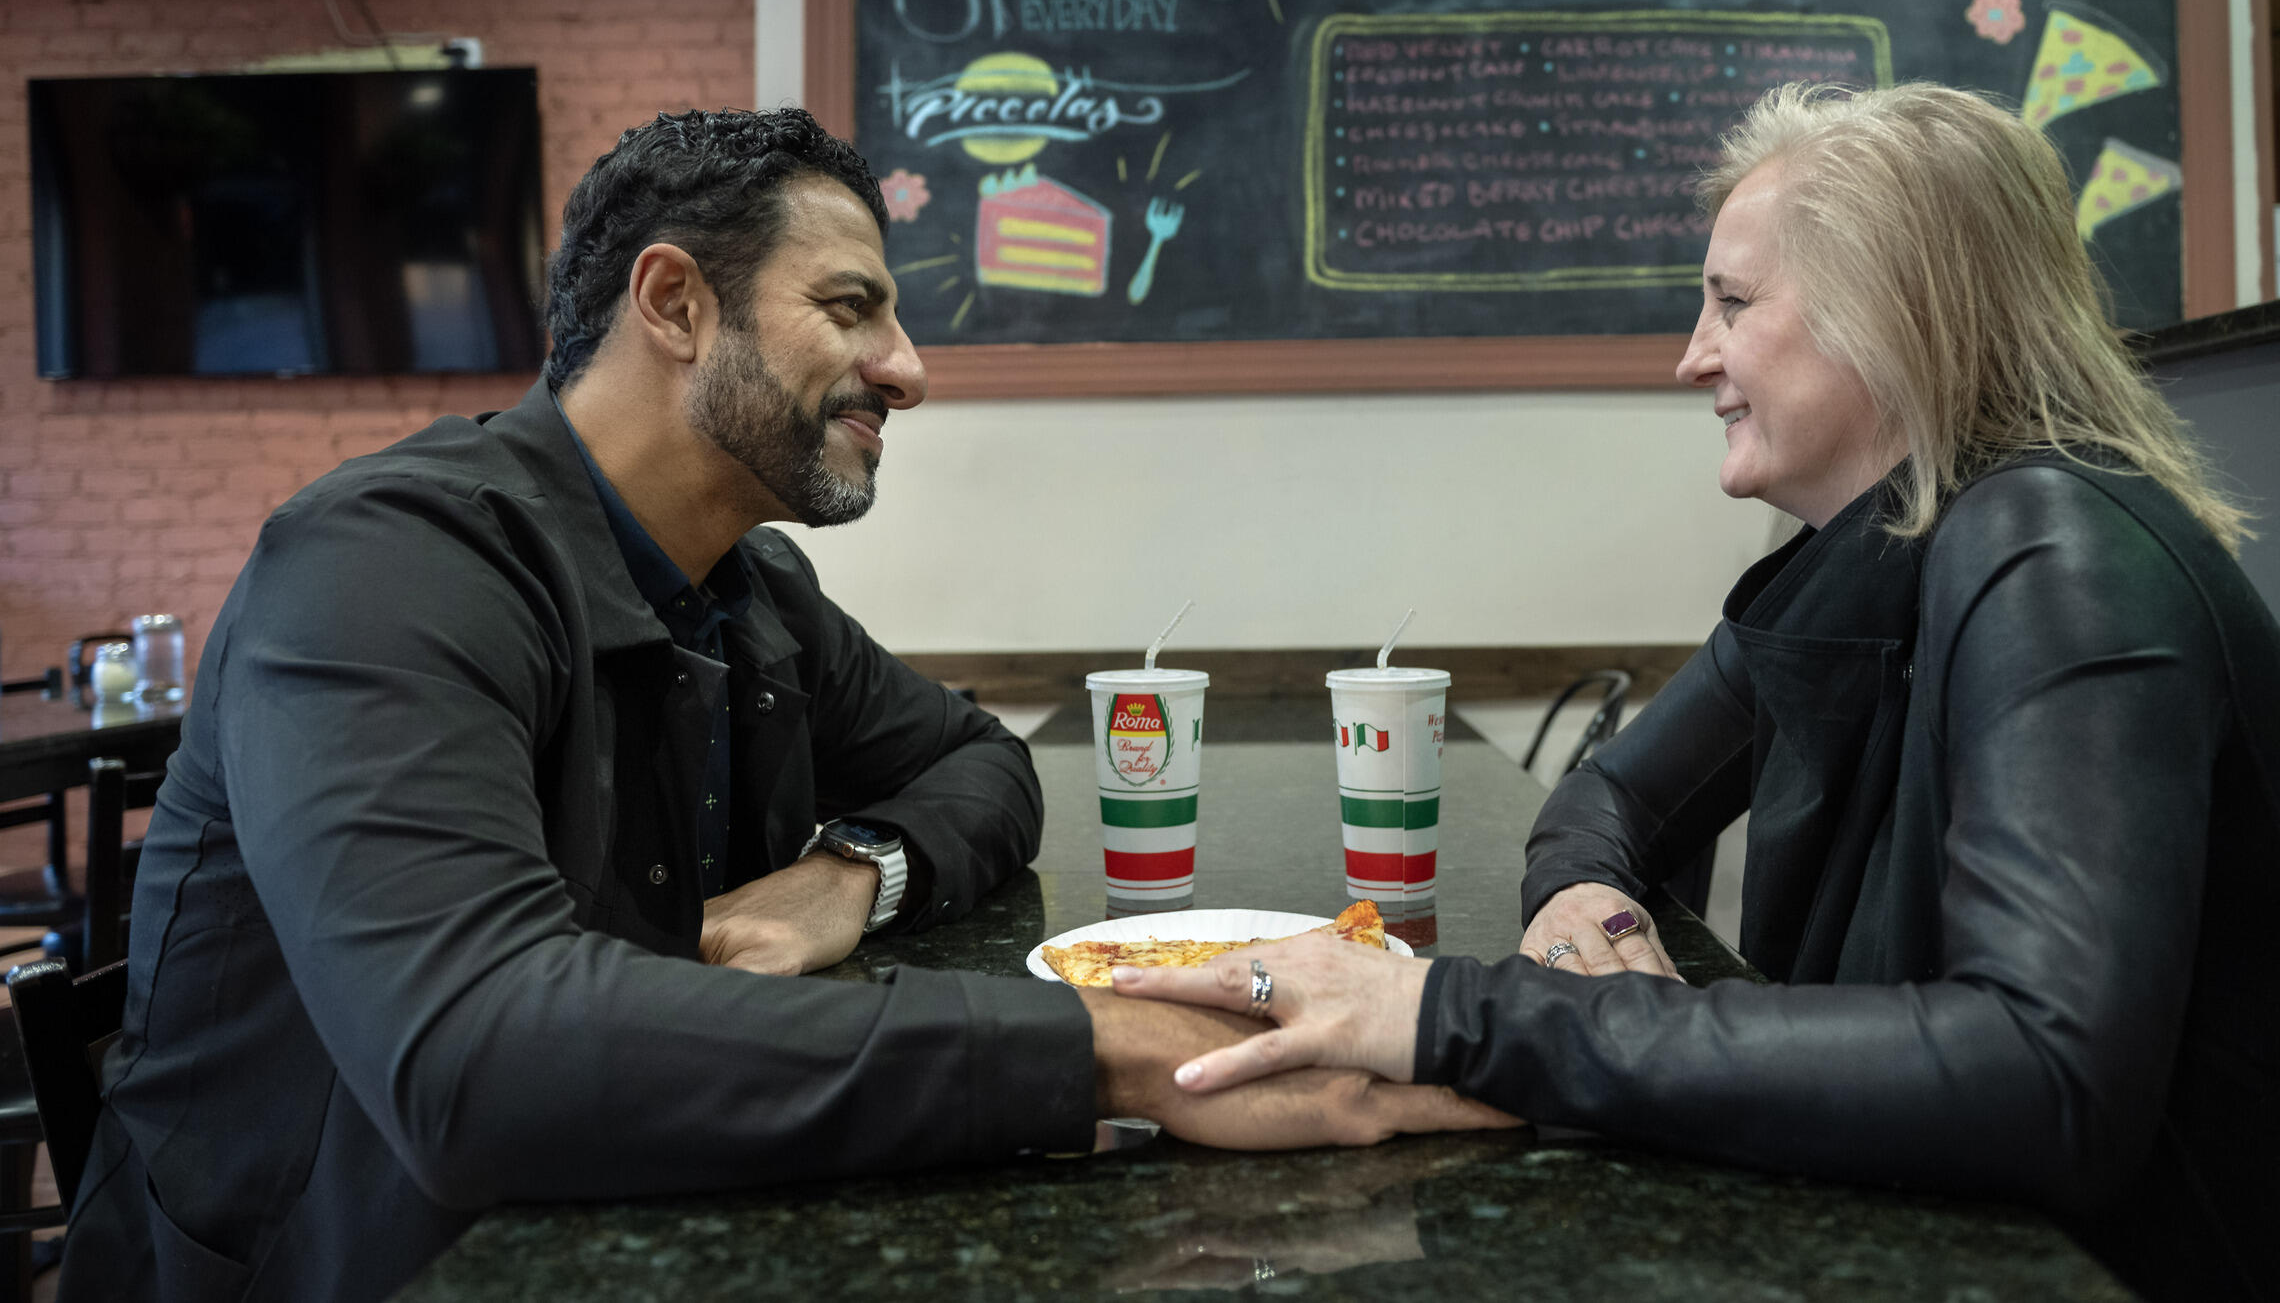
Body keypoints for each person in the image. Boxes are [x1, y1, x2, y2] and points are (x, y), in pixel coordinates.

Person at [61, 110, 1504, 1303]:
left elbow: (979, 763)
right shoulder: (385, 564)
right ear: (676, 304)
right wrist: (1118, 1056)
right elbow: (475, 1056)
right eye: (850, 307)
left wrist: (849, 877)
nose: (910, 372)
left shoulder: (751, 590)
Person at [1117, 82, 2280, 1301]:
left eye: (1730, 302)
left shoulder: (2058, 554)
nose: (1691, 357)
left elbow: (2047, 1076)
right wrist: (1583, 903)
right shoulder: (1867, 550)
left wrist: (1448, 1014)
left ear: (1888, 308)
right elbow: (1612, 795)